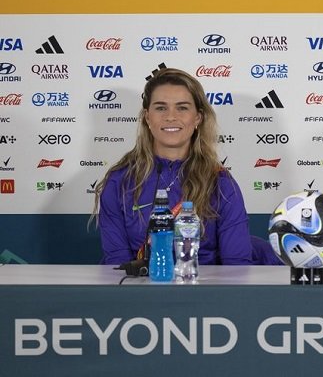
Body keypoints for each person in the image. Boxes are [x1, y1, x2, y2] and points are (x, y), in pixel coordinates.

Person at [93, 67, 254, 266]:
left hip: (203, 284)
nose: (170, 117)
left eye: (182, 108)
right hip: (141, 285)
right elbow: (117, 263)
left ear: (198, 117)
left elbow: (237, 266)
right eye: (161, 108)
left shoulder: (220, 183)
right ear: (147, 117)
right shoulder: (120, 181)